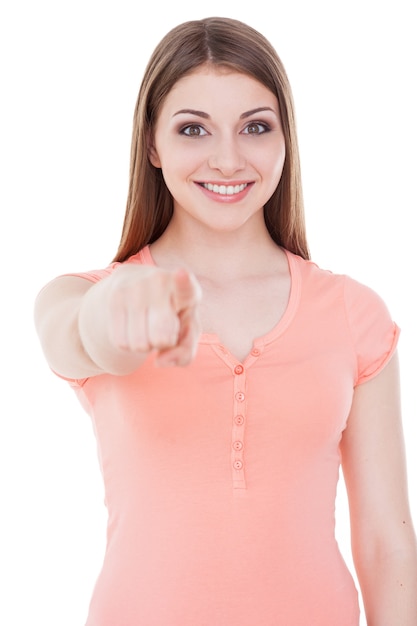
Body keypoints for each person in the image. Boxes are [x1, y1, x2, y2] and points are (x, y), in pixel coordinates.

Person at [34, 16, 417, 626]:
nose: (228, 158)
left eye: (255, 127)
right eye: (194, 129)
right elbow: (75, 337)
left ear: (285, 140)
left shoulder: (353, 313)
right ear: (152, 144)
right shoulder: (84, 295)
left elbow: (385, 542)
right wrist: (120, 310)